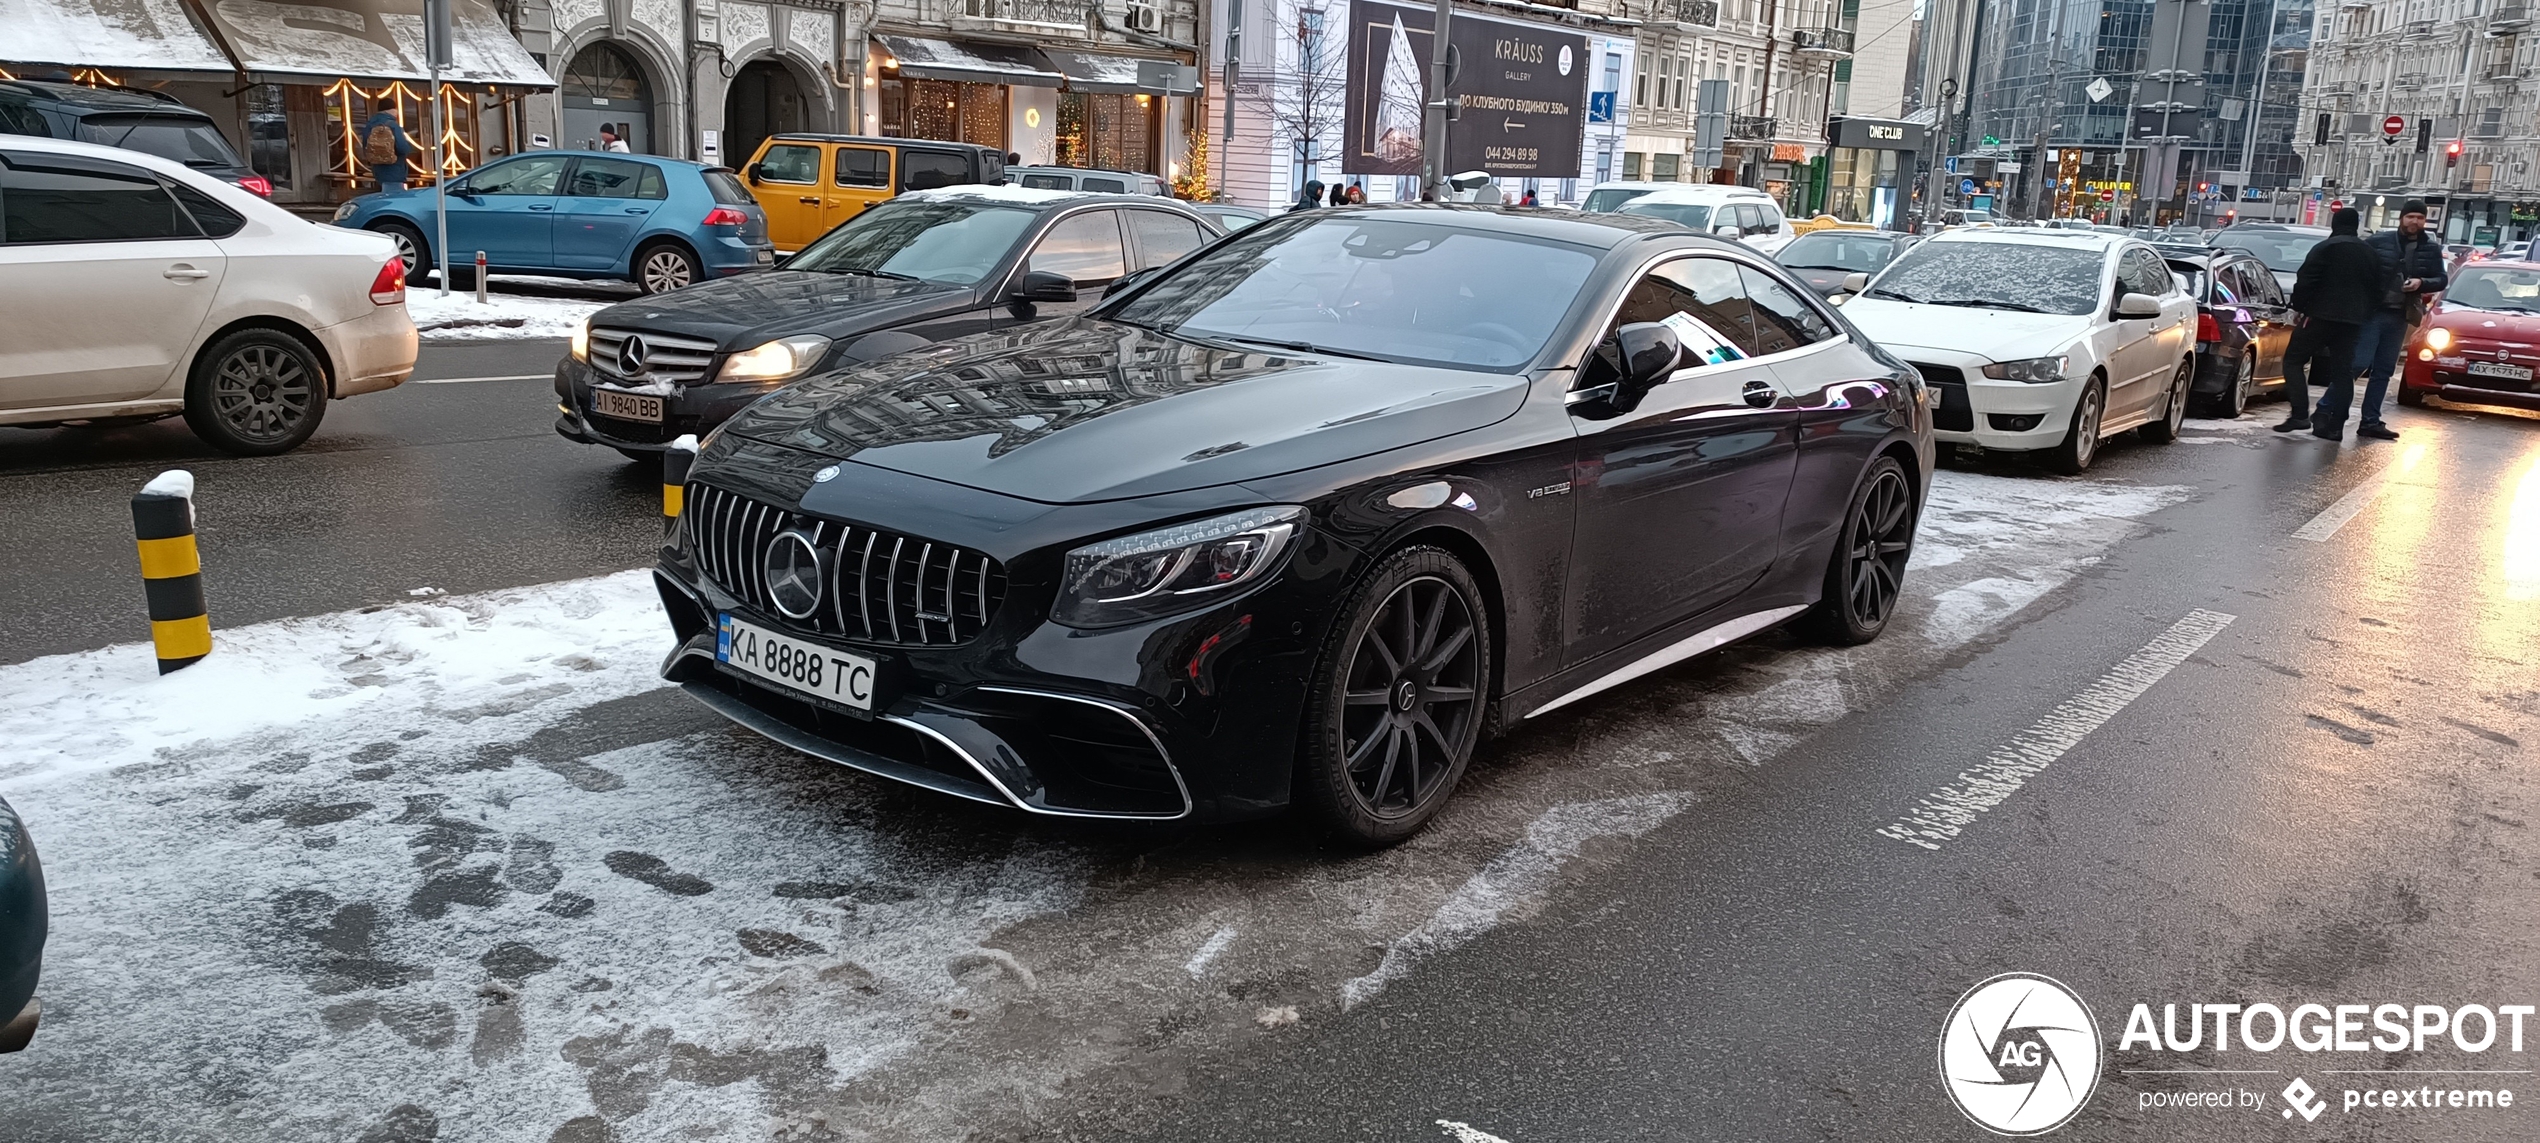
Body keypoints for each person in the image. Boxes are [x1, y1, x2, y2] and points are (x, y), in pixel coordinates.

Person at [2318, 198, 2447, 440]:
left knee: (2384, 370)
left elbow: (2441, 278)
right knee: (2358, 364)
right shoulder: (2379, 241)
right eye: (2411, 217)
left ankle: (2370, 421)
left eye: (2420, 218)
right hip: (2373, 312)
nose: (2415, 222)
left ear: (2425, 221)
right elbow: (2356, 268)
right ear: (2402, 218)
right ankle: (2325, 409)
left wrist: (2422, 283)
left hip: (2400, 314)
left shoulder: (2430, 248)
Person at [2273, 207, 2382, 435]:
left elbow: (2306, 280)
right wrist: (2364, 314)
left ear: (2335, 223)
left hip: (2319, 316)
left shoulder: (2325, 248)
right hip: (2352, 321)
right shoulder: (2369, 252)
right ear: (2357, 225)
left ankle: (2299, 414)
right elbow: (2378, 288)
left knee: (2294, 360)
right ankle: (2336, 426)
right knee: (2343, 373)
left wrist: (2299, 307)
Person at [358, 110, 417, 192]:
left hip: (377, 170)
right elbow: (402, 148)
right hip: (394, 170)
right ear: (392, 110)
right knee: (394, 199)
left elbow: (366, 147)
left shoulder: (369, 126)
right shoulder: (393, 125)